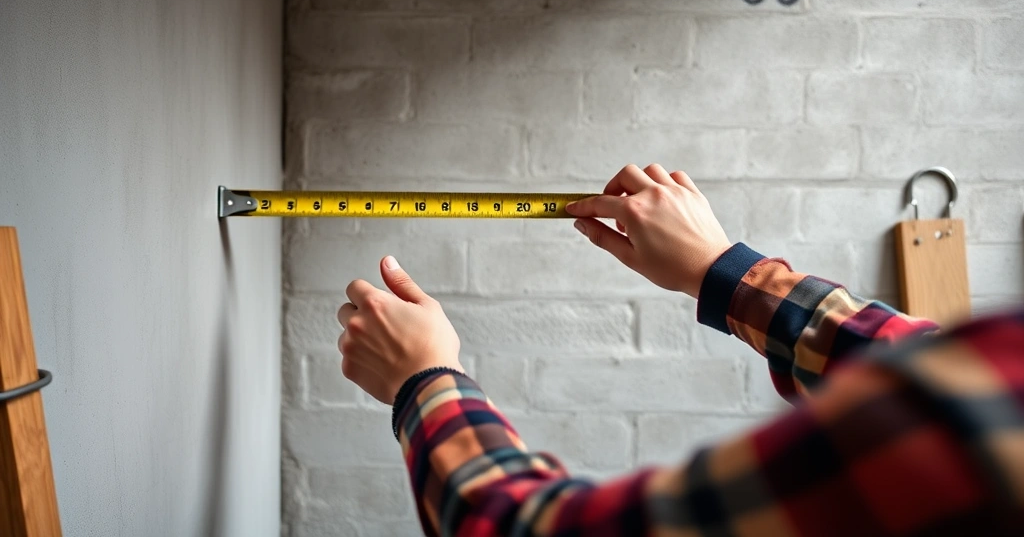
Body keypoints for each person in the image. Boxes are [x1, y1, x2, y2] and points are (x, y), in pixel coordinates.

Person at [335, 164, 1024, 536]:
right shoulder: (985, 394)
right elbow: (911, 363)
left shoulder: (971, 449)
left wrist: (424, 380)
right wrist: (724, 270)